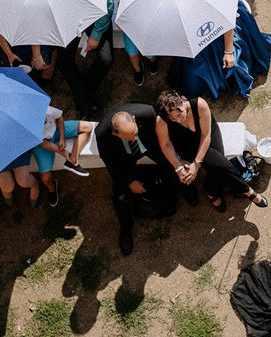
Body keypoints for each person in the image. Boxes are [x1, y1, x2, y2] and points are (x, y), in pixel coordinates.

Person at [153, 87, 260, 211]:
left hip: (207, 134)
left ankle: (212, 190)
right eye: (172, 119)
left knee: (219, 163)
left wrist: (196, 165)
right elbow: (165, 144)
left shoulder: (200, 105)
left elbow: (206, 135)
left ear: (182, 101)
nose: (178, 120)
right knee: (221, 165)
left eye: (179, 114)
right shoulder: (161, 121)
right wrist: (178, 167)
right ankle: (249, 192)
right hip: (186, 145)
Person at [97, 103, 178, 256]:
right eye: (129, 137)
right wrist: (129, 182)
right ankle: (126, 230)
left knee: (172, 166)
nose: (134, 138)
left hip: (150, 147)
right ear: (115, 134)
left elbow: (165, 132)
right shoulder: (103, 134)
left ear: (134, 119)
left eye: (135, 133)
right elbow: (111, 163)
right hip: (125, 158)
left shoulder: (147, 112)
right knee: (120, 197)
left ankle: (184, 187)